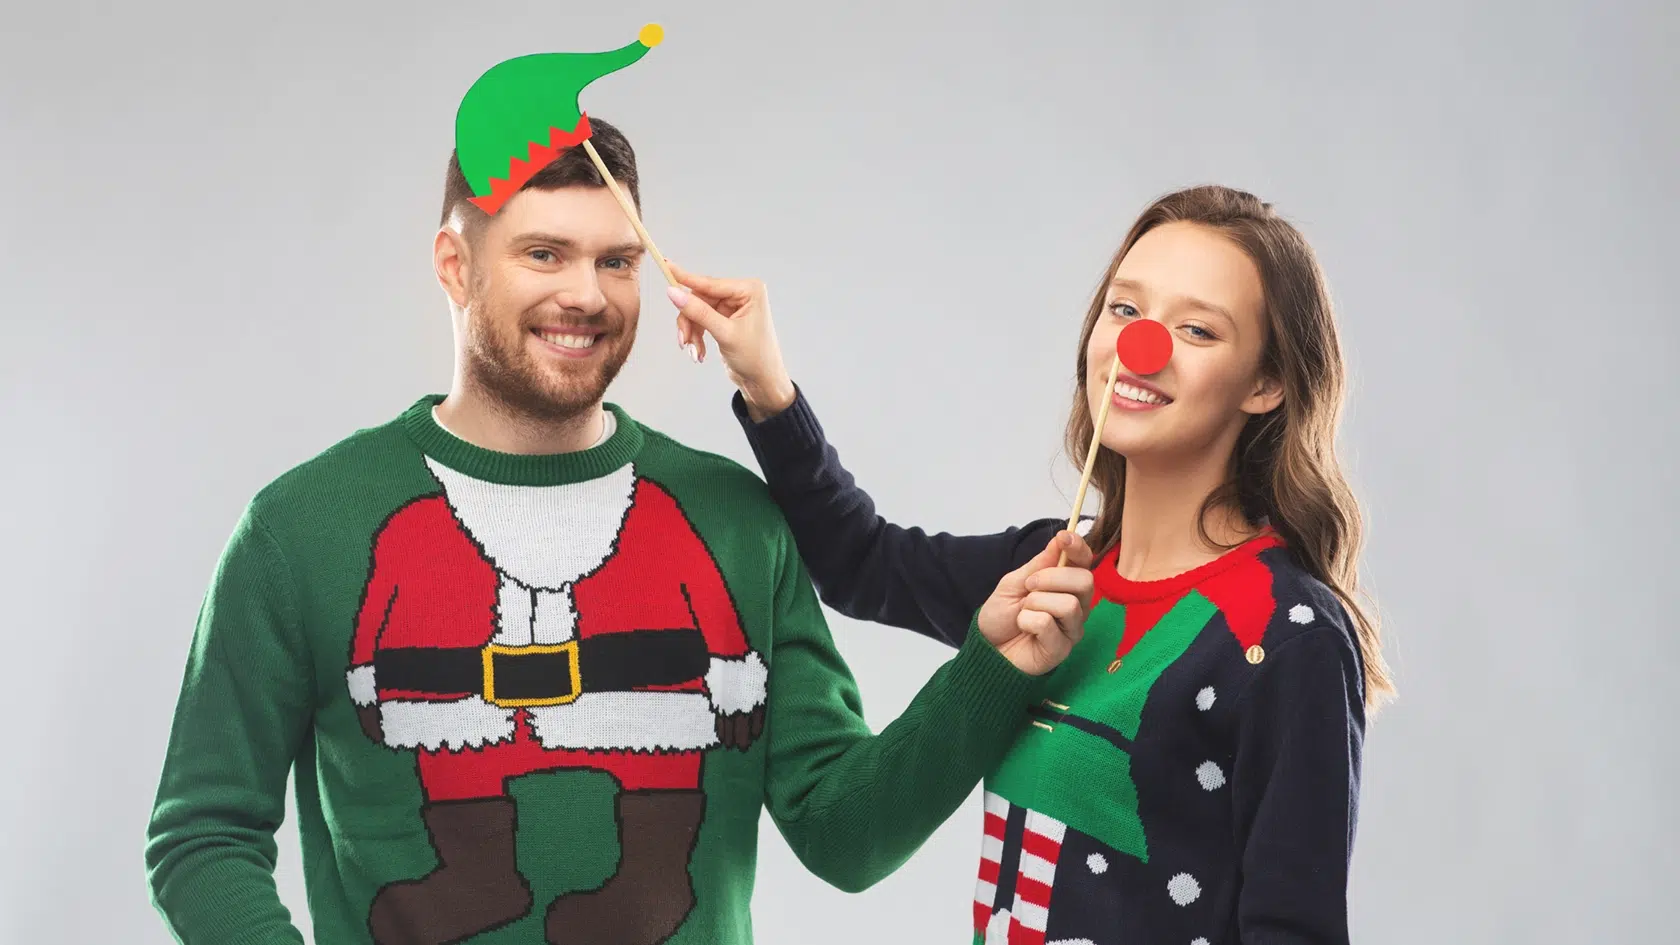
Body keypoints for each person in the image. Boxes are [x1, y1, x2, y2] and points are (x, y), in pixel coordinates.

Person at [143, 118, 1097, 945]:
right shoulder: (302, 526)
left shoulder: (732, 521)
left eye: (617, 260)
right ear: (454, 265)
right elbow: (202, 835)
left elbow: (845, 836)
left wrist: (989, 671)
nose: (588, 296)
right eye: (544, 254)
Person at [667, 184, 1394, 945]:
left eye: (1198, 329)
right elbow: (861, 562)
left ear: (1266, 383)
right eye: (1125, 310)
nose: (1142, 346)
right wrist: (765, 383)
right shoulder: (1048, 571)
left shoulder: (1289, 633)